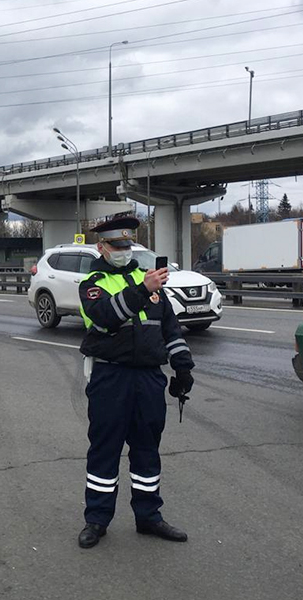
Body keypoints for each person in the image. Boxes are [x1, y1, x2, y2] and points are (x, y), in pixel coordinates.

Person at [76, 216, 194, 549]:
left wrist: (183, 368)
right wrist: (143, 290)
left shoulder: (148, 282)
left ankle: (149, 517)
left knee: (147, 450)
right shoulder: (93, 284)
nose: (123, 251)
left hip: (148, 379)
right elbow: (103, 318)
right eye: (117, 246)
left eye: (127, 245)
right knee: (105, 450)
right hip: (110, 377)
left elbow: (170, 329)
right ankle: (97, 519)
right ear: (102, 248)